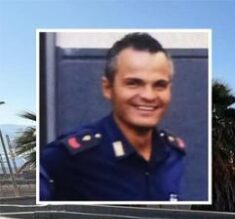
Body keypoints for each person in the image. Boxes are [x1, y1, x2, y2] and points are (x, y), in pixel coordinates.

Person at [40, 32, 186, 202]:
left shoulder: (173, 153)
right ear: (108, 88)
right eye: (133, 83)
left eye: (160, 85)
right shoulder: (69, 158)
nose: (149, 96)